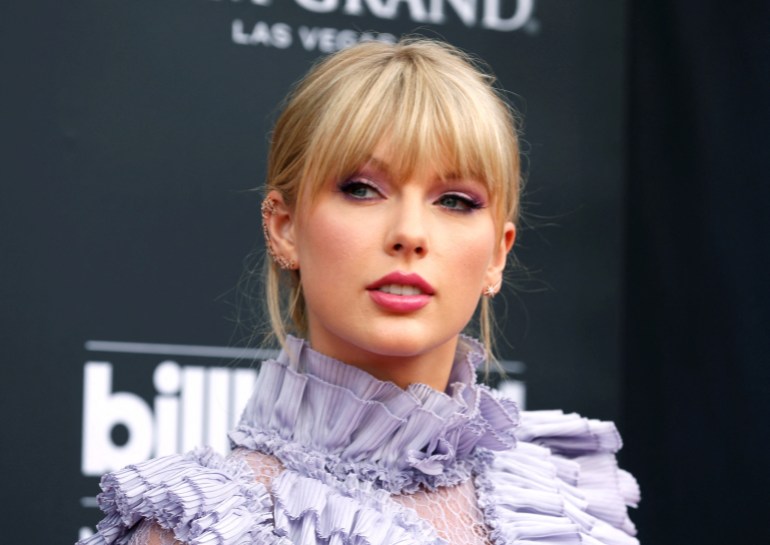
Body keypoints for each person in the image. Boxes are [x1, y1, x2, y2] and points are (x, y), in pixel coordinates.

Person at [79, 38, 640, 545]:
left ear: (498, 251)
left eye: (455, 201)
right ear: (285, 227)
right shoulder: (208, 528)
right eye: (362, 189)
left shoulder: (564, 505)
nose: (410, 235)